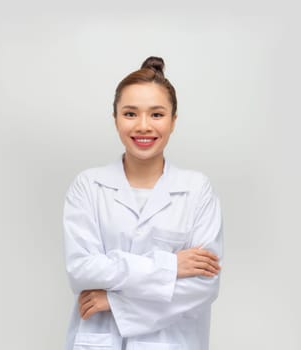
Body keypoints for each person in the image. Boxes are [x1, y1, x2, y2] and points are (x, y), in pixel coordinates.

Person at [63, 56, 223, 350]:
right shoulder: (88, 186)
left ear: (174, 120)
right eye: (130, 113)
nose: (143, 126)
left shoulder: (197, 190)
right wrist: (171, 266)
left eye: (157, 114)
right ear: (115, 119)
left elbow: (202, 287)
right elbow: (82, 269)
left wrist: (114, 301)